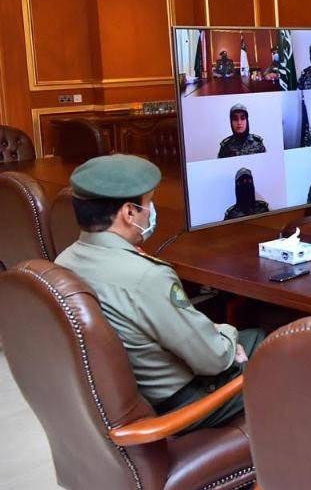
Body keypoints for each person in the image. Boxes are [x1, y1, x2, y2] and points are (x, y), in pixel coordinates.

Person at [55, 154, 264, 430]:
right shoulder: (146, 276)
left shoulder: (64, 262)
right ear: (129, 213)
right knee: (276, 350)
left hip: (132, 395)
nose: (151, 210)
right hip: (185, 403)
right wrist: (227, 335)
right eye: (149, 203)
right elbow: (213, 359)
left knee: (252, 336)